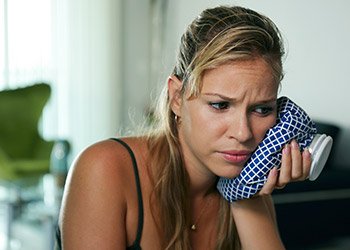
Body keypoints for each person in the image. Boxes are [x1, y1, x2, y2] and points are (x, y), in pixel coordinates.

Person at [55, 5, 312, 250]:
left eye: (262, 109)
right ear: (177, 97)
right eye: (220, 105)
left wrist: (246, 195)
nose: (243, 133)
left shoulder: (249, 184)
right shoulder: (104, 169)